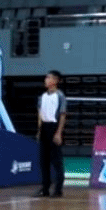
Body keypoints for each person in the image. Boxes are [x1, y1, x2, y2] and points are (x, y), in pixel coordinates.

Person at [36, 70, 67, 198]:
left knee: (56, 160)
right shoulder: (42, 97)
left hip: (54, 127)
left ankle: (58, 189)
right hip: (44, 128)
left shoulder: (60, 96)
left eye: (49, 78)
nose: (46, 80)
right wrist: (39, 130)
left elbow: (62, 115)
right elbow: (40, 114)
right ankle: (45, 188)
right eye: (46, 78)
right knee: (43, 161)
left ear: (55, 80)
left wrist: (58, 133)